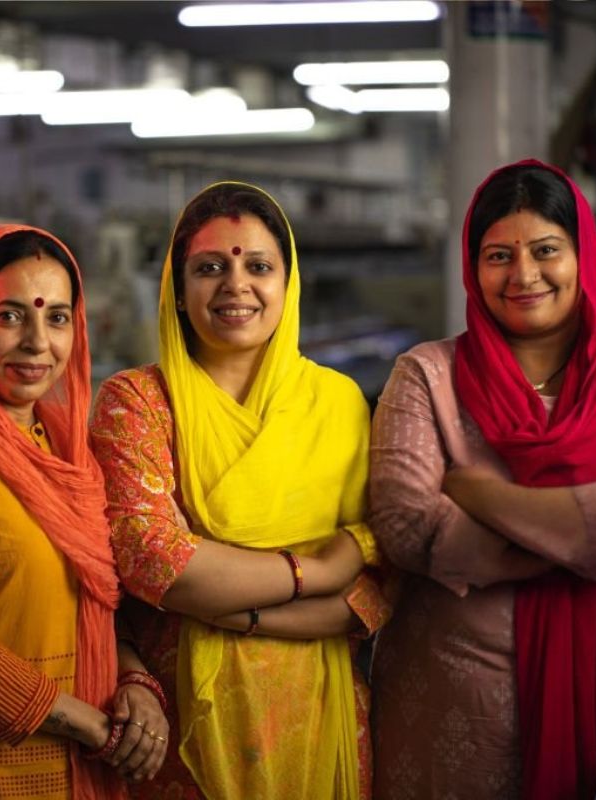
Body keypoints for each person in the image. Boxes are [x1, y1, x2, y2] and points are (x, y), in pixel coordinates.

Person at [368, 160, 596, 799]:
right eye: (499, 255)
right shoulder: (426, 376)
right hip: (453, 705)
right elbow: (405, 524)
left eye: (546, 250)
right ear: (473, 269)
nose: (524, 275)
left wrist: (486, 497)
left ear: (582, 255)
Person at [90, 181, 391, 799]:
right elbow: (156, 561)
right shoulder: (137, 403)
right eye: (209, 268)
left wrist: (236, 611)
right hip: (179, 729)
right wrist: (318, 569)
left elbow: (376, 588)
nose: (235, 285)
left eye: (258, 266)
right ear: (176, 290)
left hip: (322, 713)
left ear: (288, 282)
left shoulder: (336, 404)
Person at [0, 224, 168, 799]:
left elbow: (99, 601)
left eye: (57, 318)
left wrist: (133, 681)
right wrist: (91, 726)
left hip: (94, 768)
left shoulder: (69, 450)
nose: (38, 342)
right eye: (10, 316)